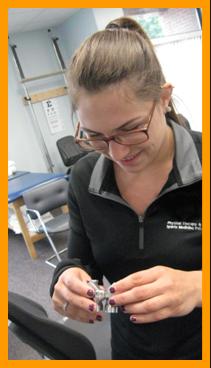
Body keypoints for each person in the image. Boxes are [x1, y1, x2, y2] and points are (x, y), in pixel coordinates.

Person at [50, 17, 202, 360]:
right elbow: (81, 259)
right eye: (95, 136)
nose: (117, 154)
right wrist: (67, 277)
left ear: (163, 99)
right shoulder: (83, 176)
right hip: (132, 351)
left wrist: (198, 287)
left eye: (131, 129)